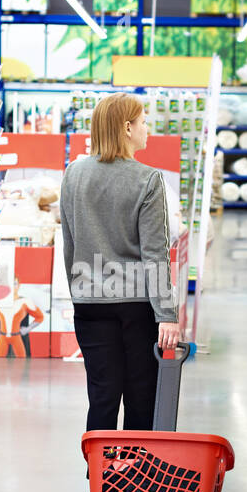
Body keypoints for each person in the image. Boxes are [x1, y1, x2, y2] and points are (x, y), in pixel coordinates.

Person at [61, 93, 180, 432]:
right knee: (140, 398)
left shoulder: (73, 174)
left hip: (89, 303)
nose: (148, 129)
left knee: (101, 395)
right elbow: (154, 253)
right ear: (127, 128)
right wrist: (166, 315)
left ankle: (100, 478)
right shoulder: (147, 179)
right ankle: (135, 478)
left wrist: (80, 292)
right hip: (135, 305)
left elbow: (70, 245)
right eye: (144, 122)